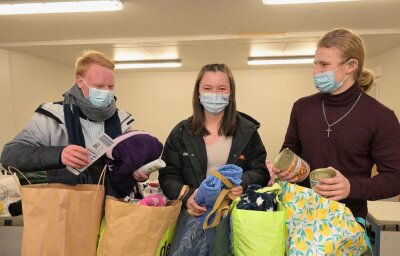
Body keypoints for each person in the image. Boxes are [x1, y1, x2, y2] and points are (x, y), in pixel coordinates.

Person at [272, 28, 400, 256]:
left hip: (346, 223)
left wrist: (352, 186)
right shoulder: (302, 108)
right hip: (300, 219)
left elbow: (395, 177)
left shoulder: (381, 117)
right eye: (315, 64)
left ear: (350, 66)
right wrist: (283, 169)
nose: (315, 72)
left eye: (323, 65)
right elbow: (289, 151)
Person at [0, 50, 145, 195]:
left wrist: (137, 170)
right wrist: (59, 154)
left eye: (111, 86)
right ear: (80, 81)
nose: (106, 92)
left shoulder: (121, 120)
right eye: (99, 86)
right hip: (67, 205)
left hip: (113, 205)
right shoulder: (51, 117)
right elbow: (9, 155)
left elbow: (128, 160)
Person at [159, 63, 270, 216]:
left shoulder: (247, 131)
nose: (215, 94)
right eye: (207, 88)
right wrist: (186, 195)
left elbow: (261, 171)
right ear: (198, 92)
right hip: (194, 215)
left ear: (230, 93)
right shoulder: (181, 133)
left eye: (222, 88)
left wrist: (242, 183)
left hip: (236, 214)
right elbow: (168, 176)